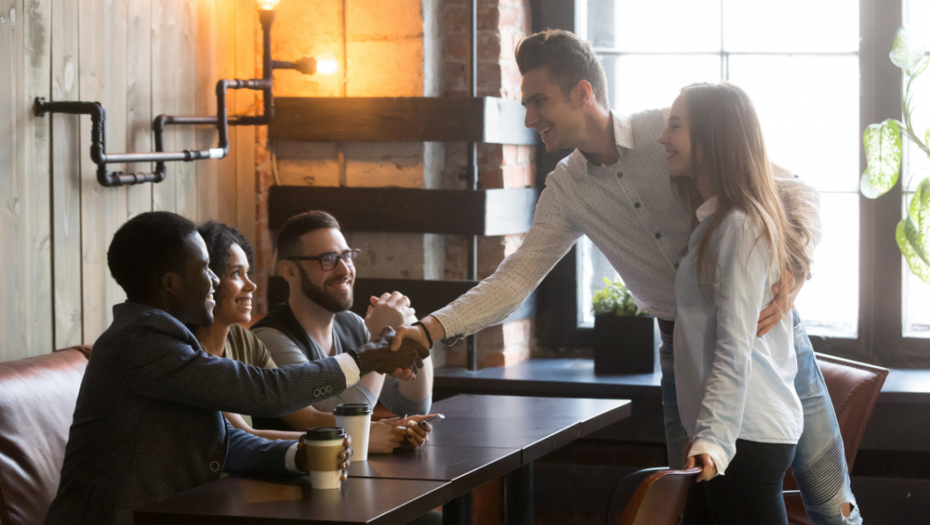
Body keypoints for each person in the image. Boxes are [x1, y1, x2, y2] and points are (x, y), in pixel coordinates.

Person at [391, 29, 859, 524]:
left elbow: (795, 191)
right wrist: (426, 331)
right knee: (694, 507)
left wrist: (794, 270)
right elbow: (513, 281)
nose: (529, 119)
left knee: (831, 501)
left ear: (583, 93)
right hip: (682, 355)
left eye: (538, 101)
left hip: (766, 338)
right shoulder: (566, 190)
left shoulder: (673, 133)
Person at [44, 211, 427, 525]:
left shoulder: (170, 339)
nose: (215, 280)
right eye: (206, 268)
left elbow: (224, 439)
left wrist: (299, 455)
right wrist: (368, 358)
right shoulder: (143, 340)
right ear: (170, 283)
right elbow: (266, 391)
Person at [660, 82, 806, 524]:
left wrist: (714, 440)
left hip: (747, 438)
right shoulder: (716, 223)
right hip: (730, 435)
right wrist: (705, 435)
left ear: (713, 136)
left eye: (675, 127)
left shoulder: (739, 227)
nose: (663, 138)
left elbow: (733, 346)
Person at [191, 220, 431, 453]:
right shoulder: (257, 339)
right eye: (236, 273)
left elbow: (309, 416)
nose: (252, 285)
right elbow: (240, 438)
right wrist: (356, 438)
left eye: (347, 256)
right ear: (207, 280)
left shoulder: (245, 341)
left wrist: (411, 328)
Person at [252, 211, 434, 420]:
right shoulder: (269, 339)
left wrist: (411, 326)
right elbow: (340, 418)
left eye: (347, 256)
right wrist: (382, 339)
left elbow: (411, 408)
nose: (345, 269)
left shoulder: (354, 325)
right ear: (290, 271)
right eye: (327, 259)